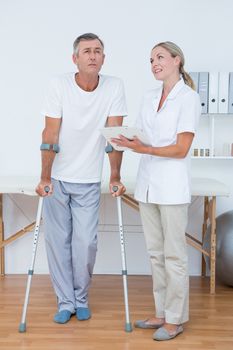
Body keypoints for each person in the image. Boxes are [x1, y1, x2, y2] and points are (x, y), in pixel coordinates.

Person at [111, 41, 201, 341]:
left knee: (174, 255)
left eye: (160, 57)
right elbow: (145, 137)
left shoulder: (188, 98)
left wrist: (144, 147)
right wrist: (124, 139)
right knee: (155, 254)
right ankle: (162, 312)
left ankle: (175, 320)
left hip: (173, 188)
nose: (154, 63)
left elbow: (181, 148)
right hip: (147, 186)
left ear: (177, 60)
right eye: (151, 59)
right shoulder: (150, 97)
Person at [36, 33, 127, 324]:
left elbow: (115, 137)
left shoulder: (114, 86)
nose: (92, 55)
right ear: (75, 58)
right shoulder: (58, 85)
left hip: (88, 180)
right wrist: (45, 176)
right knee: (58, 241)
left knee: (85, 243)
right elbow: (50, 134)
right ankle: (66, 302)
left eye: (98, 51)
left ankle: (81, 297)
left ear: (103, 58)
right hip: (59, 179)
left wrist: (115, 175)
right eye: (86, 51)